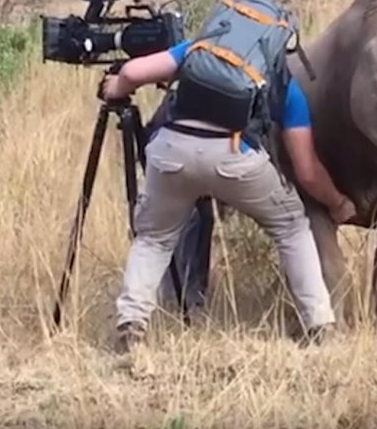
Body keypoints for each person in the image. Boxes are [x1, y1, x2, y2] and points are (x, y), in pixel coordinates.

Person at [102, 37, 357, 354]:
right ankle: (319, 324)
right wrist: (337, 202)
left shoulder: (202, 48)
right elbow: (307, 172)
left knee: (153, 238)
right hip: (236, 159)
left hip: (171, 151)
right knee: (291, 227)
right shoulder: (283, 84)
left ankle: (132, 324)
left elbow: (133, 71)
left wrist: (115, 89)